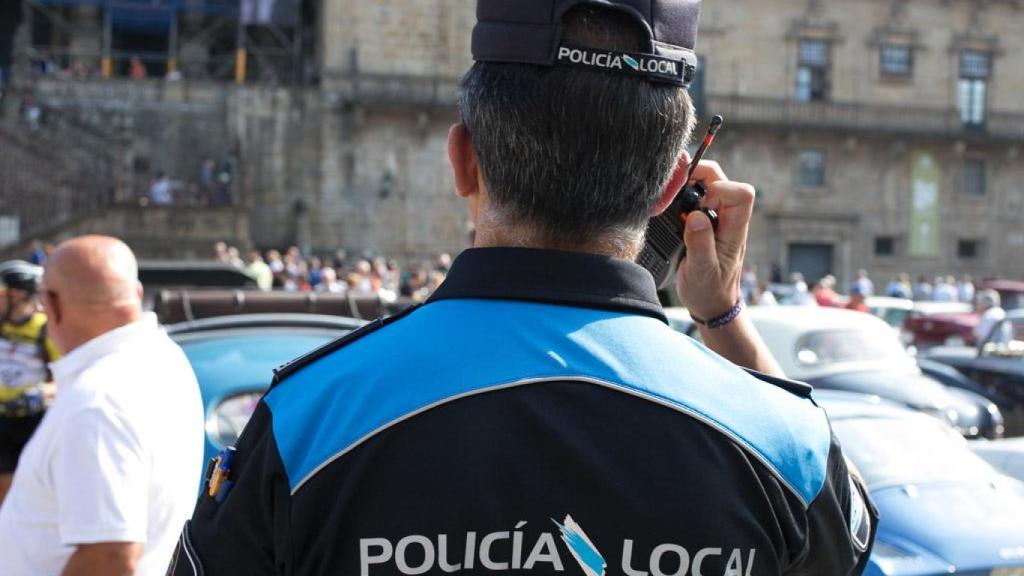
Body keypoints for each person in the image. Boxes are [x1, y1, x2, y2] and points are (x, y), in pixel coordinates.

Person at [170, 3, 875, 575]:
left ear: (463, 161)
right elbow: (839, 545)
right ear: (670, 187)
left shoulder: (310, 419)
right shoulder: (781, 443)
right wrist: (721, 316)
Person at [0, 236, 204, 576]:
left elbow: (110, 556)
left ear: (51, 305)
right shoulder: (163, 356)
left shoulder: (97, 403)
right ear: (136, 293)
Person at [0, 261, 59, 505]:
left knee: (28, 493)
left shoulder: (45, 328)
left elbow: (64, 378)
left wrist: (41, 391)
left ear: (17, 295)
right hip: (2, 420)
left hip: (32, 421)